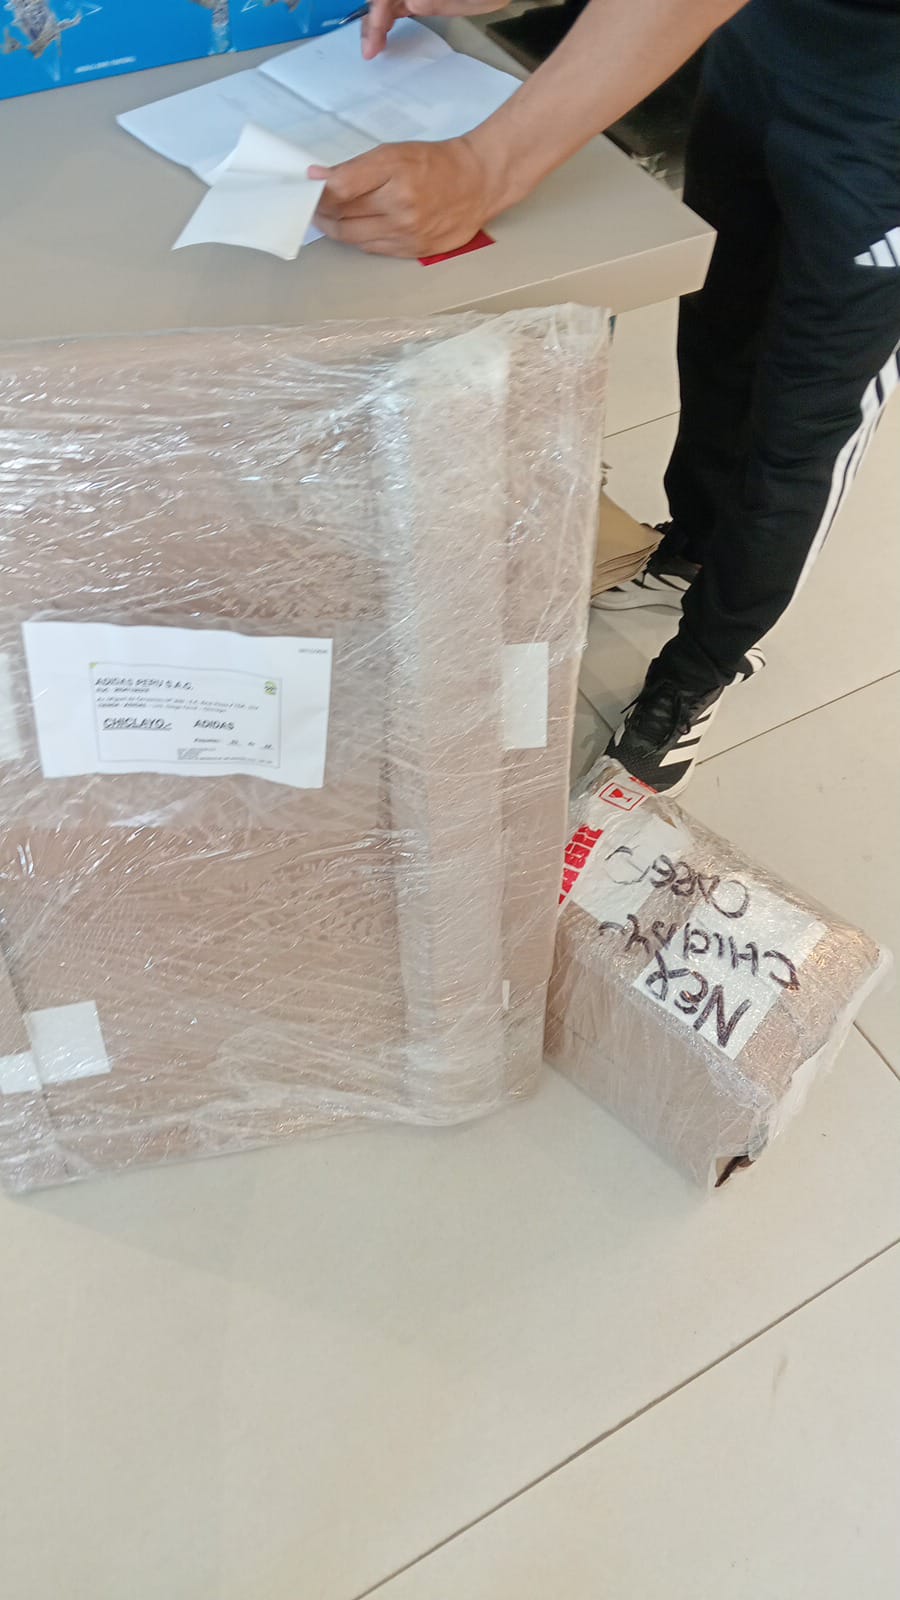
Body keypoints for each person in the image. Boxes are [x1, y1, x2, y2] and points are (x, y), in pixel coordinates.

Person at [311, 0, 900, 794]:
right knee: (721, 332)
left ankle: (703, 667)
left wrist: (488, 164)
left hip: (881, 120)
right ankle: (695, 547)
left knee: (809, 419)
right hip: (757, 47)